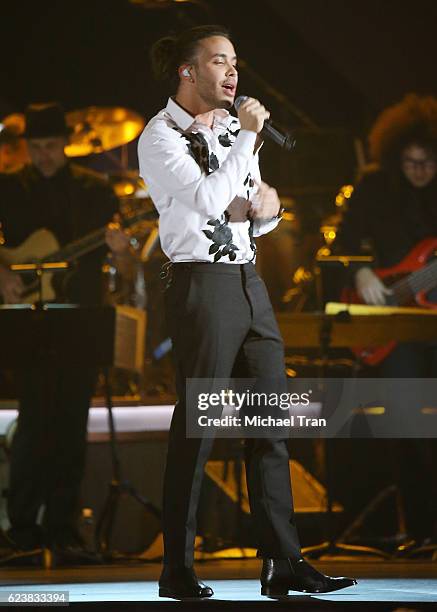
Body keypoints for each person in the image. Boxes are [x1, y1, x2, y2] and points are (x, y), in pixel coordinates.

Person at [138, 25, 356, 599]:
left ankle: (282, 561)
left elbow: (256, 209)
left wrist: (272, 206)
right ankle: (177, 568)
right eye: (218, 62)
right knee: (200, 424)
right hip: (200, 286)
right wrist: (247, 149)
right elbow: (211, 200)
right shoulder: (159, 137)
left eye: (235, 62)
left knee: (270, 421)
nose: (232, 73)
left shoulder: (237, 129)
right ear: (188, 72)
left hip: (248, 281)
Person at [0, 102, 130, 562]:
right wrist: (2, 270)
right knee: (35, 420)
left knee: (71, 423)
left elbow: (120, 258)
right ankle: (21, 528)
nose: (44, 156)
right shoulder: (9, 187)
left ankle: (62, 526)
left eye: (52, 147)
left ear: (66, 145)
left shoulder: (95, 192)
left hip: (81, 315)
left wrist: (120, 251)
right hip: (29, 315)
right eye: (36, 148)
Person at [334, 94, 437, 549]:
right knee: (407, 421)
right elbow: (342, 244)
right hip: (392, 323)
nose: (419, 171)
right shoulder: (375, 186)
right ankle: (420, 527)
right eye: (411, 162)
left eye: (428, 163)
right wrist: (361, 272)